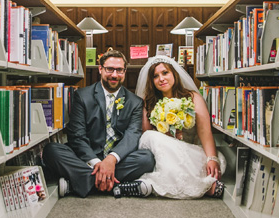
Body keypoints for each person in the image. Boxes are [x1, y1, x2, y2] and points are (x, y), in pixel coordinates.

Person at [42, 49, 155, 198]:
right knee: (51, 151)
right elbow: (77, 135)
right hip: (87, 157)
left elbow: (132, 136)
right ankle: (118, 186)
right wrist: (97, 163)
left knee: (146, 158)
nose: (114, 75)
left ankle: (80, 182)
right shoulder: (82, 96)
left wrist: (111, 159)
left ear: (125, 72)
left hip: (118, 159)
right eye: (110, 69)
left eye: (119, 70)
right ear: (100, 69)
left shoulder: (135, 102)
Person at [114, 55, 226, 199]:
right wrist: (166, 135)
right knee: (151, 136)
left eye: (165, 73)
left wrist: (212, 158)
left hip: (188, 150)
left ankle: (147, 185)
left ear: (174, 74)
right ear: (152, 81)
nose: (161, 78)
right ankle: (204, 186)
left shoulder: (192, 97)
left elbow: (204, 131)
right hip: (161, 153)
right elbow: (145, 135)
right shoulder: (147, 103)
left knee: (211, 164)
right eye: (155, 76)